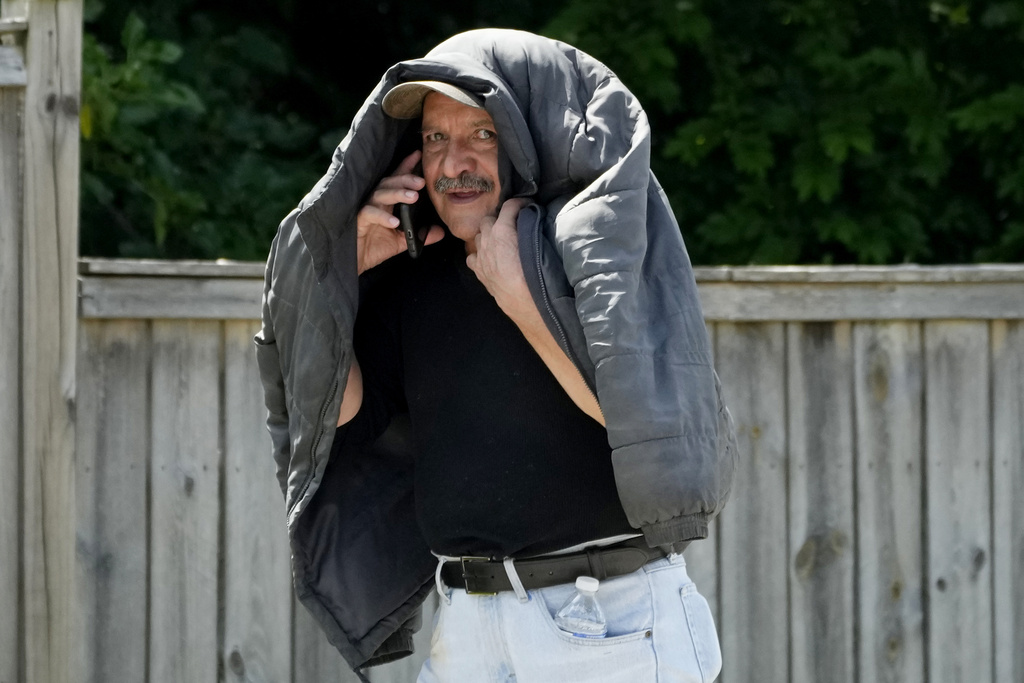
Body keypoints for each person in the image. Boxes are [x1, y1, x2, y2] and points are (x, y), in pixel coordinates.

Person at [256, 28, 737, 683]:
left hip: (606, 621)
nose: (456, 160)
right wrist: (343, 281)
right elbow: (349, 423)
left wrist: (519, 297)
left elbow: (650, 425)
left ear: (514, 140)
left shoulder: (587, 259)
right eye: (435, 139)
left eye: (480, 134)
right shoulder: (412, 275)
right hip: (469, 626)